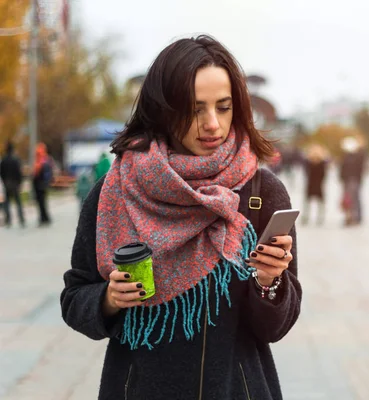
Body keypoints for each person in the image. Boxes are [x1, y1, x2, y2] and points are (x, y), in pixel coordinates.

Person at [60, 35, 302, 400]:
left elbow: (275, 327)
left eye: (223, 107)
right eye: (194, 109)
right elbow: (75, 295)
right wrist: (109, 299)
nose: (212, 124)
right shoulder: (115, 192)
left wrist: (268, 282)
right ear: (162, 110)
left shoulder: (260, 193)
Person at [339, 136, 366, 226]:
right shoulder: (346, 156)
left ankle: (355, 217)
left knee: (353, 199)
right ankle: (350, 217)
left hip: (353, 180)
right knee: (349, 199)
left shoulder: (358, 156)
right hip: (348, 180)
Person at [301, 144, 329, 225]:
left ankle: (318, 218)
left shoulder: (322, 163)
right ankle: (308, 217)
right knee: (309, 203)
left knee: (317, 203)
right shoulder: (309, 163)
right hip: (313, 185)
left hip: (317, 185)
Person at [0, 141, 25, 228]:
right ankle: (21, 218)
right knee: (18, 202)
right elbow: (19, 172)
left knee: (7, 203)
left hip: (7, 183)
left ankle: (8, 219)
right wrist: (19, 182)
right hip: (15, 183)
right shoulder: (15, 160)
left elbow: (1, 172)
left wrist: (4, 181)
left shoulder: (4, 160)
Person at [32, 143, 53, 226]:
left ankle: (44, 218)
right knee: (41, 202)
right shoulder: (43, 160)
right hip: (40, 184)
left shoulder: (43, 161)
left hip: (40, 184)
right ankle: (44, 217)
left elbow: (39, 174)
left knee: (41, 202)